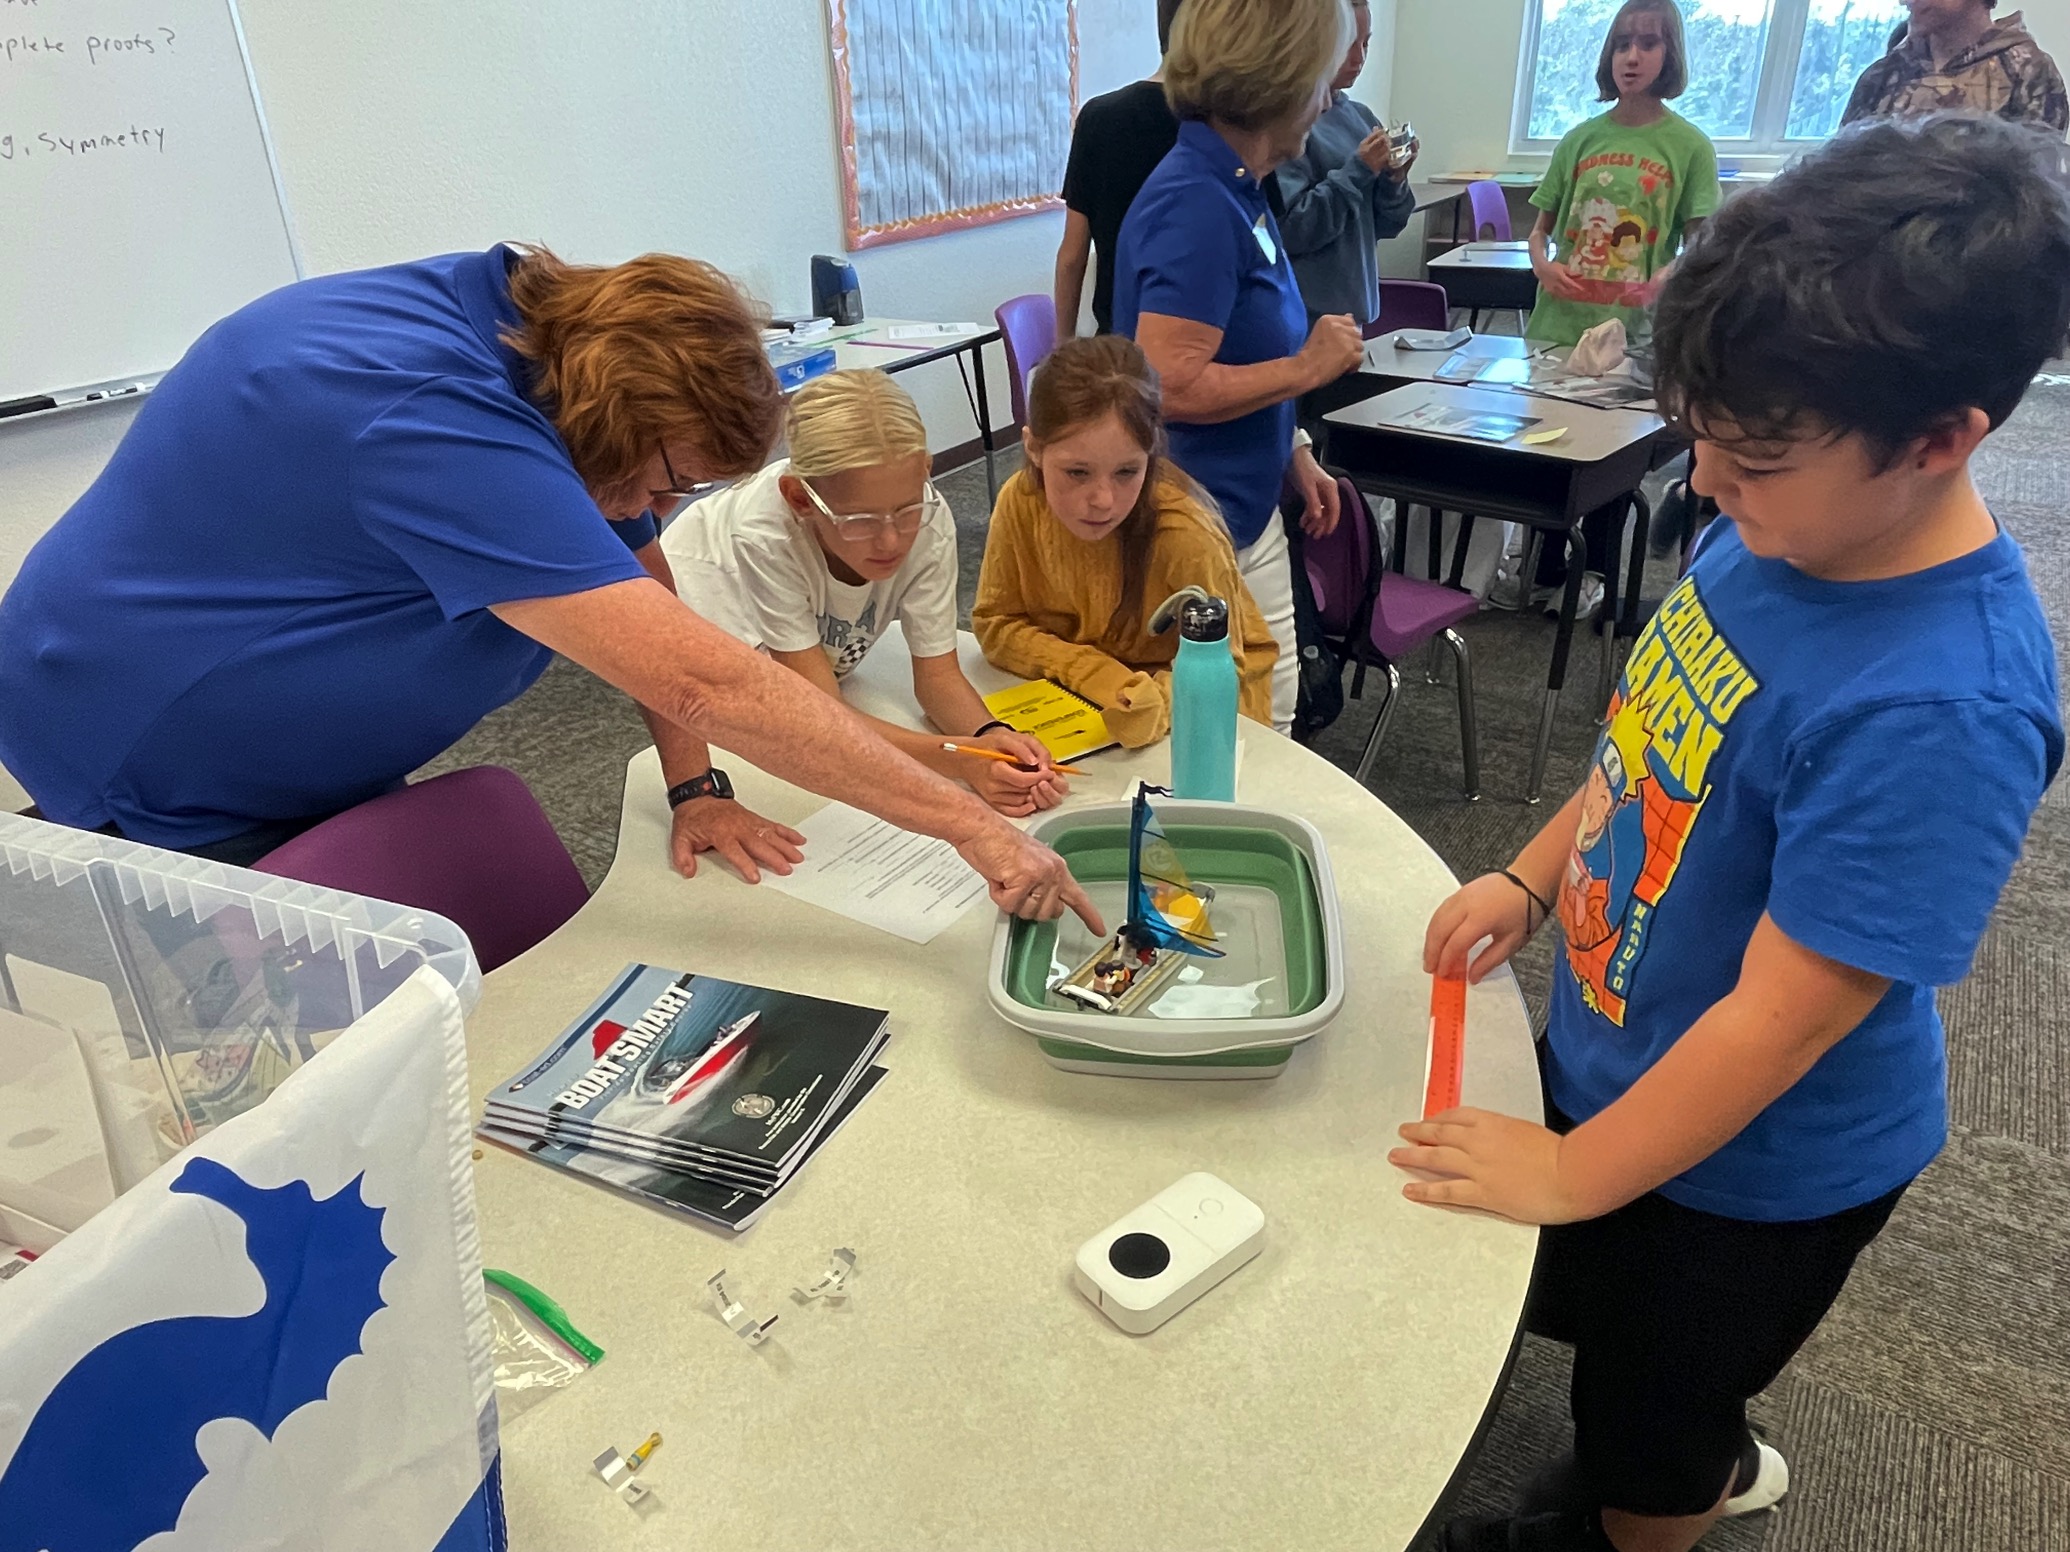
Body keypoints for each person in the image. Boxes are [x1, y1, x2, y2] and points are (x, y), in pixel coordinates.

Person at [1400, 113, 2069, 1552]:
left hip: (1759, 1176)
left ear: (1941, 439)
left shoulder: (1941, 704)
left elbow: (1781, 1023)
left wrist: (1574, 1174)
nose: (1705, 484)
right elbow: (1643, 747)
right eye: (1704, 441)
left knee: (1651, 1423)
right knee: (1603, 1347)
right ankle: (1669, 1445)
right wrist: (1530, 874)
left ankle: (1659, 1505)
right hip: (1625, 1057)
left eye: (1753, 458)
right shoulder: (1766, 531)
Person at [0, 246, 1100, 932]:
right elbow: (705, 677)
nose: (661, 508)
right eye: (669, 480)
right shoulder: (433, 419)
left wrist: (694, 786)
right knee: (257, 1030)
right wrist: (972, 829)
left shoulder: (559, 356)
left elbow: (650, 586)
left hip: (287, 716)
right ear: (619, 419)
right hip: (145, 731)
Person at [661, 370, 1066, 843]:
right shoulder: (763, 536)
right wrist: (960, 760)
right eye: (859, 520)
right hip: (709, 644)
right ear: (799, 499)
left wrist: (989, 737)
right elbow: (820, 721)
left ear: (925, 473)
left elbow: (937, 677)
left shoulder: (928, 516)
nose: (891, 540)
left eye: (906, 509)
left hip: (814, 670)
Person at [1114, 0, 1364, 736]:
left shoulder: (1235, 186)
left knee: (1268, 726)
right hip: (1196, 519)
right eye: (1319, 78)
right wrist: (1306, 370)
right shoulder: (1197, 202)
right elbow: (1167, 384)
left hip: (1241, 508)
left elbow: (1240, 345)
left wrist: (1294, 449)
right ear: (1278, 80)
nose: (1328, 100)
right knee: (1230, 735)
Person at [972, 336, 1277, 747]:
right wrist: (1094, 673)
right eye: (1077, 472)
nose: (1103, 500)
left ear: (1150, 457)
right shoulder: (1020, 501)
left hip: (1200, 724)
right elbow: (994, 623)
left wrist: (1154, 700)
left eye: (1127, 472)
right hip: (1085, 704)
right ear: (1034, 449)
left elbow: (1225, 670)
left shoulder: (1186, 537)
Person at [1524, 0, 1720, 348]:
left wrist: (1668, 275)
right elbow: (1540, 231)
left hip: (1635, 331)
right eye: (1622, 44)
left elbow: (1700, 246)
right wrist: (1542, 266)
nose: (1632, 57)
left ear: (1669, 54)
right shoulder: (1578, 140)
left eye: (1648, 44)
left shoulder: (1692, 147)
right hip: (1558, 328)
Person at [1274, 0, 1418, 338]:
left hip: (1356, 312)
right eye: (1349, 44)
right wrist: (1359, 169)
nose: (1359, 58)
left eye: (1366, 43)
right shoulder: (1286, 120)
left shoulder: (1361, 117)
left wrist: (1395, 180)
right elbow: (1293, 229)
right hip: (1306, 319)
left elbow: (1386, 225)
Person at [1055, 0, 1187, 339]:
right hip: (1204, 344)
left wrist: (1064, 347)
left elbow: (1072, 254)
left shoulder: (1099, 117)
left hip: (1118, 342)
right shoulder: (1229, 125)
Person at [1843, 1, 2068, 134]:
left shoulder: (2028, 72)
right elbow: (1843, 175)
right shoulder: (1882, 75)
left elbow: (2035, 185)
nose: (1905, 1)